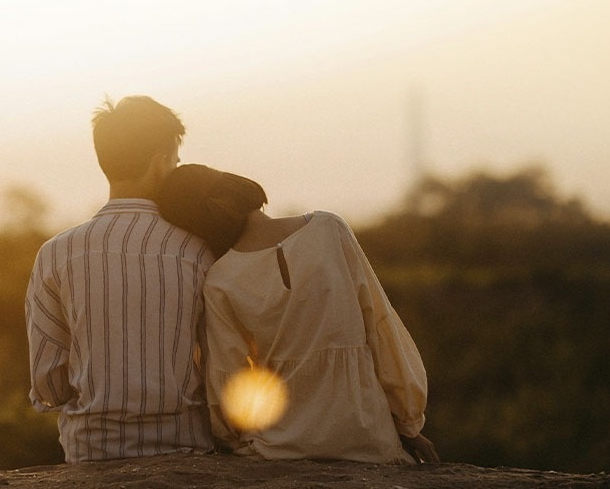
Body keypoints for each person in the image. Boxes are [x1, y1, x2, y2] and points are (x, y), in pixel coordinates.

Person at [157, 164, 439, 465]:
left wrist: (232, 438)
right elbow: (380, 327)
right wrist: (408, 423)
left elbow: (229, 381)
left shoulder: (220, 281)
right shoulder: (329, 229)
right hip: (367, 437)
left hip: (279, 446)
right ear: (235, 185)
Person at [25, 96, 215, 462]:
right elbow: (220, 363)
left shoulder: (56, 253)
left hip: (92, 451)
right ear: (161, 163)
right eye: (175, 161)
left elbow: (47, 381)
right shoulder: (198, 251)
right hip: (186, 448)